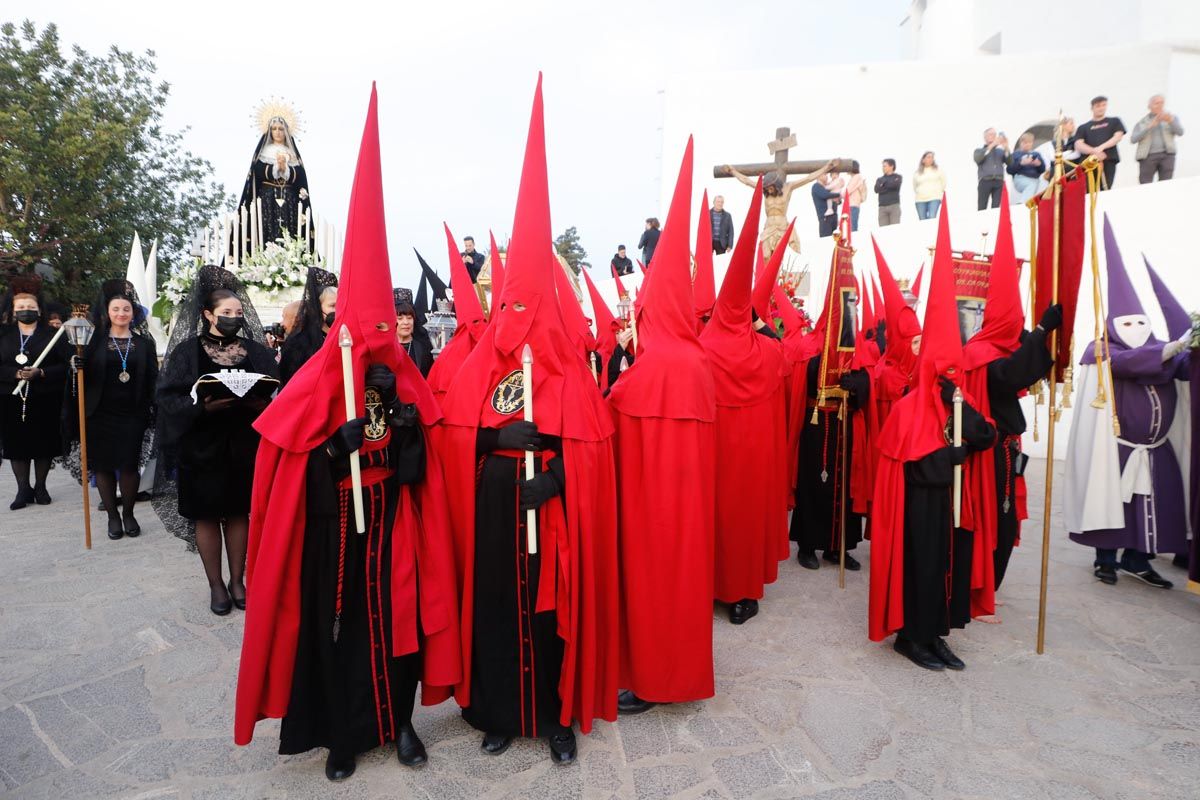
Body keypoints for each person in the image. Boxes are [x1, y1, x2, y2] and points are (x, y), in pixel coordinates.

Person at [234, 89, 462, 780]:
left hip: (393, 516)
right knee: (337, 627)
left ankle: (398, 725)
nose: (376, 337)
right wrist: (334, 448)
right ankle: (342, 734)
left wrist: (410, 425)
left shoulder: (403, 373)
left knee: (398, 622)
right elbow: (283, 459)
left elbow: (429, 465)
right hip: (336, 525)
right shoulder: (314, 377)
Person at [433, 79, 619, 764]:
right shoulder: (479, 363)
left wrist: (564, 474)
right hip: (493, 499)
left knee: (549, 613)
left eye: (526, 307)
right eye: (506, 306)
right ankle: (501, 712)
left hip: (551, 506)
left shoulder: (570, 369)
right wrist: (491, 438)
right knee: (497, 606)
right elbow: (453, 434)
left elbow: (598, 447)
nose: (515, 319)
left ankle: (556, 716)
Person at [609, 139, 716, 714]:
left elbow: (612, 412)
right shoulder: (697, 361)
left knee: (652, 590)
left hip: (651, 511)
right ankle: (682, 673)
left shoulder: (652, 368)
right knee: (685, 588)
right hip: (691, 510)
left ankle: (651, 681)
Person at [870, 203, 997, 671]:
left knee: (947, 570)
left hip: (951, 506)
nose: (948, 372)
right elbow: (917, 464)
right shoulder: (909, 408)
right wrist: (953, 455)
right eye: (941, 367)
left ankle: (938, 634)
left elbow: (985, 433)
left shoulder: (955, 397)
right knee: (921, 569)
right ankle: (913, 637)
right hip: (920, 509)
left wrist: (961, 411)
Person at [1065, 217, 1188, 588]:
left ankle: (1138, 559)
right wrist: (1171, 348)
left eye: (1141, 323)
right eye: (1128, 324)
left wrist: (1187, 346)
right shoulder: (1101, 350)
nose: (1136, 330)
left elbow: (1177, 366)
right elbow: (1128, 363)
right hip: (1116, 448)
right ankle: (1106, 559)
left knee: (1152, 506)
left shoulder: (1161, 351)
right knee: (1112, 505)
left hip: (1156, 449)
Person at [154, 266, 279, 614]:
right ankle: (216, 586)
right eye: (226, 313)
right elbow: (167, 399)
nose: (233, 318)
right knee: (207, 516)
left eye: (238, 314)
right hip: (202, 447)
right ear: (208, 314)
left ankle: (239, 580)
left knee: (240, 514)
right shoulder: (187, 353)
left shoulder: (257, 350)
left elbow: (279, 392)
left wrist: (260, 401)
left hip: (244, 446)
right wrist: (203, 408)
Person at [959, 191, 1058, 621]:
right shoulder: (981, 353)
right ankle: (979, 584)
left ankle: (989, 582)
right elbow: (1010, 376)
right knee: (994, 524)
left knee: (1006, 524)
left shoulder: (998, 348)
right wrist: (1039, 332)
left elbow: (1022, 368)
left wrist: (1041, 338)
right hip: (989, 454)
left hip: (1007, 450)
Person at [699, 183, 789, 625]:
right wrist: (766, 329)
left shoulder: (702, 346)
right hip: (751, 456)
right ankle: (742, 594)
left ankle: (710, 585)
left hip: (713, 452)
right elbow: (783, 362)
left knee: (713, 519)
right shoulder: (767, 349)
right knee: (742, 521)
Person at [79, 280, 159, 540]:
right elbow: (84, 378)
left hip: (132, 413)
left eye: (126, 309)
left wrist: (156, 407)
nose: (121, 314)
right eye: (116, 309)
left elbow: (153, 379)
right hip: (100, 413)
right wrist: (76, 365)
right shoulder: (93, 342)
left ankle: (128, 514)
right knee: (102, 466)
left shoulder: (145, 344)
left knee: (128, 465)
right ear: (108, 312)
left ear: (133, 313)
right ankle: (112, 517)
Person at [0, 276, 72, 510]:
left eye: (30, 307)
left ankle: (40, 486)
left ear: (39, 309)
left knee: (43, 444)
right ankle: (23, 489)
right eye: (20, 307)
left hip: (44, 397)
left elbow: (65, 365)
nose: (25, 310)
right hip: (11, 397)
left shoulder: (53, 335)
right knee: (16, 446)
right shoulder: (4, 335)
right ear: (13, 309)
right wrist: (16, 374)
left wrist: (41, 372)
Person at [239, 115, 311, 249]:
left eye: (281, 129)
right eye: (274, 129)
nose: (278, 132)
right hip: (267, 198)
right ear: (270, 131)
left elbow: (300, 176)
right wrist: (275, 168)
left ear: (286, 131)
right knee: (267, 227)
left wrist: (286, 169)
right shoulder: (264, 151)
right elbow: (257, 171)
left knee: (289, 229)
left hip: (289, 199)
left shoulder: (292, 153)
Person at [279, 267, 338, 386]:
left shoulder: (345, 336)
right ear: (317, 308)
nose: (339, 310)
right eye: (333, 305)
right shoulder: (298, 343)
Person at [1074, 96, 1126, 190]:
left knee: (1106, 188)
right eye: (1098, 106)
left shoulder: (1114, 121)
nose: (1101, 108)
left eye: (1103, 105)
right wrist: (1094, 152)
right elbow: (1078, 144)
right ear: (1092, 108)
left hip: (1108, 160)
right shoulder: (1083, 127)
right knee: (1089, 190)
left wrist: (1101, 148)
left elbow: (1118, 136)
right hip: (1089, 163)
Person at [1131, 94, 1183, 184]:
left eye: (1162, 103)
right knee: (1145, 184)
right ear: (1149, 106)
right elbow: (1133, 139)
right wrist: (1149, 126)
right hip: (1147, 157)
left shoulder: (1171, 118)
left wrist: (1170, 121)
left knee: (1166, 184)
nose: (1160, 105)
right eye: (1156, 103)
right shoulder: (1142, 122)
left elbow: (1180, 132)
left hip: (1167, 155)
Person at [394, 289, 433, 377]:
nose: (406, 322)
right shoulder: (385, 349)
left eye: (409, 318)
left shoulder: (424, 348)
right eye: (400, 319)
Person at [974, 129, 1009, 210]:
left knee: (996, 208)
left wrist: (1006, 147)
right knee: (982, 207)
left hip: (998, 181)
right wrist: (992, 145)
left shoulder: (1000, 151)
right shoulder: (979, 151)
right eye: (991, 134)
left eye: (994, 134)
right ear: (985, 137)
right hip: (985, 181)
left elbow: (1009, 162)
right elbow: (978, 159)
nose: (993, 136)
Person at [1007, 132, 1046, 204]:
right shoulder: (1015, 155)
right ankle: (1023, 203)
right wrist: (1021, 163)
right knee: (1032, 185)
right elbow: (1009, 170)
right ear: (1021, 143)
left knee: (1034, 184)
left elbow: (1043, 169)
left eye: (1029, 142)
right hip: (1020, 178)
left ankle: (1026, 203)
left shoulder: (1036, 154)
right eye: (1025, 142)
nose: (1027, 144)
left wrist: (1038, 164)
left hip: (1035, 179)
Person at [913, 151, 947, 219]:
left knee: (932, 217)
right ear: (923, 160)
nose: (931, 159)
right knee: (922, 219)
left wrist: (939, 191)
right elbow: (915, 186)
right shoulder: (917, 172)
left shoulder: (938, 170)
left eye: (932, 157)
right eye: (928, 157)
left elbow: (944, 182)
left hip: (934, 197)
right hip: (920, 199)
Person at [811, 170, 842, 237]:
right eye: (825, 174)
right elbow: (825, 195)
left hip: (834, 216)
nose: (827, 176)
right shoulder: (816, 186)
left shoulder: (827, 187)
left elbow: (838, 201)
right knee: (826, 240)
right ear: (818, 176)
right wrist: (838, 195)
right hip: (825, 218)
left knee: (835, 240)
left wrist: (838, 198)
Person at [875, 159, 902, 227]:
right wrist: (888, 185)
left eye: (885, 166)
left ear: (891, 166)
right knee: (883, 230)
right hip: (882, 208)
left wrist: (883, 185)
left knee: (895, 229)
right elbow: (876, 189)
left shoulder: (898, 177)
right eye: (883, 166)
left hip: (894, 206)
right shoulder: (879, 179)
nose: (883, 168)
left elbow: (895, 185)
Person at [844, 161, 867, 232]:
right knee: (849, 227)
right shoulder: (855, 177)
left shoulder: (857, 177)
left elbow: (847, 191)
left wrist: (840, 194)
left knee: (852, 228)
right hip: (852, 205)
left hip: (853, 205)